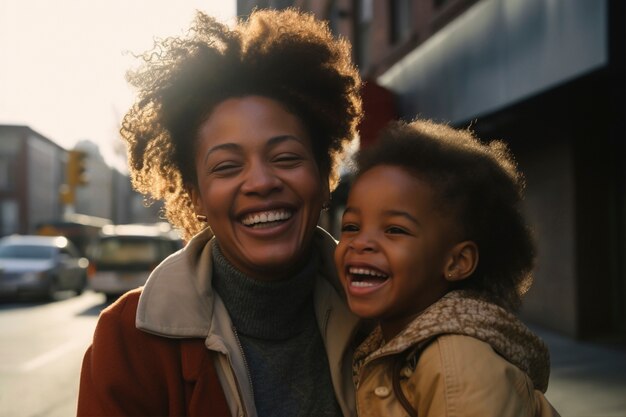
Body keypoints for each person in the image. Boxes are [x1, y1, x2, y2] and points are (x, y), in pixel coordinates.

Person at [77, 8, 364, 417]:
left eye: (285, 157)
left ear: (323, 178)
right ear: (195, 196)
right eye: (227, 166)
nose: (261, 182)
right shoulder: (128, 340)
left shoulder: (388, 313)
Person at [334, 119, 561, 416]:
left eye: (395, 230)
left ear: (456, 262)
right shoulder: (388, 344)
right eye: (351, 226)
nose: (361, 243)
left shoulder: (456, 362)